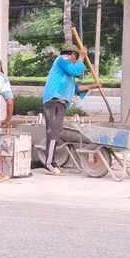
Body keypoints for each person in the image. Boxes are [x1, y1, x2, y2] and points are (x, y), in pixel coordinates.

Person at [41, 43, 101, 175]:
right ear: (73, 55)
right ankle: (49, 163)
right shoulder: (62, 59)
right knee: (54, 131)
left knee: (56, 131)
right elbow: (75, 70)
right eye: (76, 57)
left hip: (59, 101)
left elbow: (76, 88)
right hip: (54, 99)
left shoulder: (66, 74)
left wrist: (93, 86)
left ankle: (52, 162)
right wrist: (82, 57)